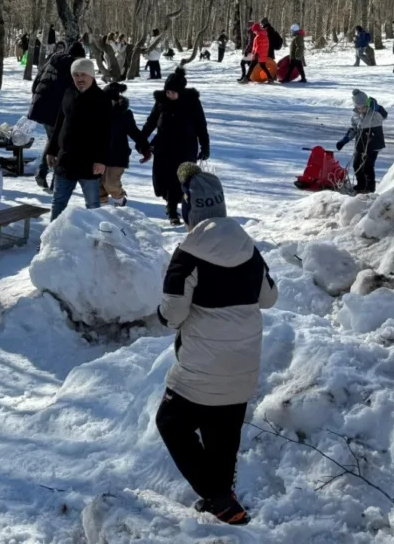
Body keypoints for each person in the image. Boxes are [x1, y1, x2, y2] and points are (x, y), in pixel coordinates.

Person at [155, 164, 278, 526]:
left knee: (171, 422)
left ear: (191, 209)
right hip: (243, 366)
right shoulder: (248, 247)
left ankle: (218, 496)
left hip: (200, 368)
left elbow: (173, 313)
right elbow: (268, 298)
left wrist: (162, 316)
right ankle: (227, 503)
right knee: (222, 434)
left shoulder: (188, 252)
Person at [44, 58, 111, 221]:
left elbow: (106, 132)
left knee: (93, 204)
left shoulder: (101, 98)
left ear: (92, 76)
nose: (79, 78)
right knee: (58, 202)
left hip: (90, 161)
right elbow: (59, 122)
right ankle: (52, 241)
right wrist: (51, 150)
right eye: (76, 75)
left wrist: (101, 160)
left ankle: (96, 241)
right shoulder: (68, 92)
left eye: (83, 75)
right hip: (65, 158)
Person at [141, 68, 210, 225]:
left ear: (180, 91)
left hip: (185, 147)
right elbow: (151, 122)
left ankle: (174, 211)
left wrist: (205, 147)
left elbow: (201, 125)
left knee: (180, 180)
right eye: (168, 92)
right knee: (163, 178)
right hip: (163, 146)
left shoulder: (191, 102)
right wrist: (141, 139)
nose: (170, 95)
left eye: (173, 92)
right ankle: (170, 205)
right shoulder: (161, 101)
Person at [28, 41, 87, 191]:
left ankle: (42, 173)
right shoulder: (74, 67)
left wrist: (37, 99)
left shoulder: (53, 60)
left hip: (41, 106)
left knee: (53, 141)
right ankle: (56, 181)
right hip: (57, 111)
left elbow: (36, 83)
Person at [99, 82, 150, 206]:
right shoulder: (96, 113)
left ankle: (120, 199)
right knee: (98, 187)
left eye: (111, 100)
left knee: (111, 183)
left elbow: (134, 132)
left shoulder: (124, 114)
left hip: (118, 155)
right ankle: (101, 212)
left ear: (116, 100)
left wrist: (144, 148)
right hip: (99, 156)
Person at [336, 89, 387, 194]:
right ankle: (361, 185)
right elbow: (353, 129)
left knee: (368, 166)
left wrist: (376, 107)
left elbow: (384, 114)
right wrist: (344, 141)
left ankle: (370, 188)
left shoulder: (375, 113)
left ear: (367, 104)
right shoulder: (355, 115)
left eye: (363, 107)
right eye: (358, 108)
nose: (361, 110)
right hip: (360, 143)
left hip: (373, 143)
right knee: (356, 164)